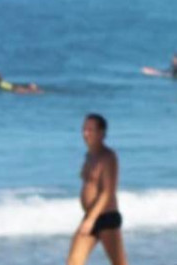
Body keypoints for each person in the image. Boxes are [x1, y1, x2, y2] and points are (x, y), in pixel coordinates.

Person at [67, 113, 127, 265]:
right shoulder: (89, 156)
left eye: (90, 130)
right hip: (90, 216)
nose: (85, 133)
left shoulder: (108, 157)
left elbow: (107, 192)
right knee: (73, 262)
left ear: (101, 133)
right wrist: (89, 218)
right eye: (84, 129)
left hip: (106, 218)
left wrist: (91, 220)